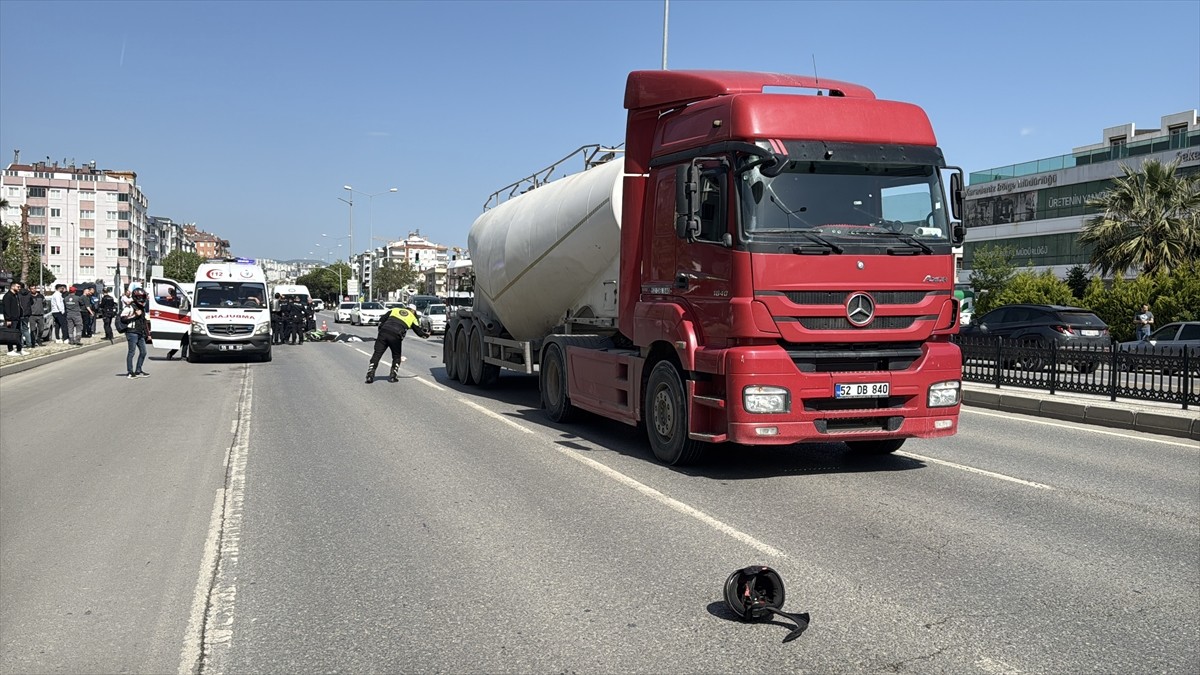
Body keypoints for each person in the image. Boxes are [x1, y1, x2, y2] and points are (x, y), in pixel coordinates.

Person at [365, 304, 429, 384]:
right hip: (396, 335)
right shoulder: (412, 317)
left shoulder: (395, 310)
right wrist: (426, 335)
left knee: (377, 354)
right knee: (396, 356)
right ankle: (393, 376)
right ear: (414, 311)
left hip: (384, 332)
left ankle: (370, 375)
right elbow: (418, 331)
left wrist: (380, 330)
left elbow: (382, 319)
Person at [120, 287, 152, 378]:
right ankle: (130, 372)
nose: (142, 300)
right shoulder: (129, 307)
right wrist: (134, 315)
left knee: (143, 352)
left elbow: (144, 321)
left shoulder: (141, 308)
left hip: (140, 333)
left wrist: (148, 334)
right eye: (140, 297)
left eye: (143, 297)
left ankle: (138, 370)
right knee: (132, 352)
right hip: (132, 332)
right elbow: (123, 319)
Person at [2, 281, 27, 357]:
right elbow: (6, 309)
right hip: (11, 319)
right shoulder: (7, 296)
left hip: (17, 318)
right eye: (17, 287)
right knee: (10, 335)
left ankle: (19, 349)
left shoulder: (16, 295)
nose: (19, 288)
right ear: (12, 287)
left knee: (18, 334)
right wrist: (8, 319)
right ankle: (10, 350)